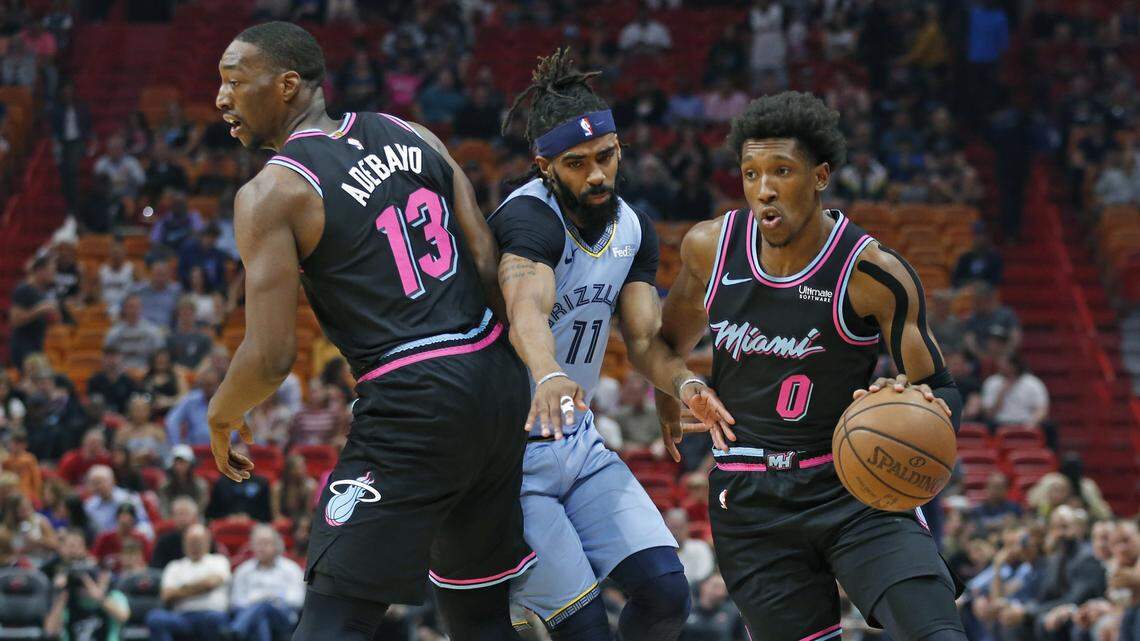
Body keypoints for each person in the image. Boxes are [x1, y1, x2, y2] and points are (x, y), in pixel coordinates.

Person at [208, 22, 532, 641]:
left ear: (286, 85)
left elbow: (272, 356)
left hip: (414, 396)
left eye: (232, 81)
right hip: (495, 375)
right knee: (477, 617)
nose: (221, 98)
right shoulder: (414, 133)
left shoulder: (273, 193)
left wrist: (222, 416)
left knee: (333, 621)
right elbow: (489, 265)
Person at [656, 92, 966, 641]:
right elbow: (663, 346)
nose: (764, 189)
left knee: (937, 633)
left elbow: (939, 385)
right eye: (750, 173)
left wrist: (915, 408)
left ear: (820, 176)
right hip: (751, 500)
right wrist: (680, 387)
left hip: (854, 485)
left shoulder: (871, 271)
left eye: (781, 171)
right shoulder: (710, 248)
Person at [490, 49, 729, 641]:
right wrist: (546, 373)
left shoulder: (633, 228)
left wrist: (685, 385)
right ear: (544, 164)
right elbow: (528, 312)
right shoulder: (528, 220)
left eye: (606, 156)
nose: (597, 174)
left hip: (578, 439)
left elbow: (645, 340)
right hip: (505, 455)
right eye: (576, 163)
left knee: (668, 593)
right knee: (587, 626)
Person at [146, 524, 231, 641]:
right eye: (190, 541)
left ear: (207, 542)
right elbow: (167, 595)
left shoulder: (219, 561)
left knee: (214, 619)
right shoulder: (174, 566)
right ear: (184, 543)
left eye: (198, 541)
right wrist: (200, 586)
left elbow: (211, 583)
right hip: (182, 618)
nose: (194, 545)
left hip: (210, 614)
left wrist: (181, 589)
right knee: (155, 618)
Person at [43, 528, 131, 641]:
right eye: (70, 546)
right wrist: (62, 596)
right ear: (62, 549)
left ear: (85, 549)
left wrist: (98, 595)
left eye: (77, 546)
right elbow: (50, 630)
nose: (73, 550)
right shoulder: (62, 587)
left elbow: (124, 617)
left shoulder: (101, 577)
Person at [228, 524, 306, 641]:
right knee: (261, 618)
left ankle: (236, 630)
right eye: (258, 544)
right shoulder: (243, 570)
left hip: (283, 616)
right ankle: (240, 628)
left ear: (277, 546)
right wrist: (257, 602)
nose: (261, 548)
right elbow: (236, 601)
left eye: (266, 543)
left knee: (264, 606)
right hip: (251, 614)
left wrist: (271, 598)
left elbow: (297, 600)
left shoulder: (291, 569)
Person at [8, 255, 61, 368]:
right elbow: (15, 320)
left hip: (36, 344)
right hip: (24, 346)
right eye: (51, 270)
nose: (54, 274)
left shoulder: (41, 292)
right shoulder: (24, 289)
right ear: (40, 271)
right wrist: (39, 310)